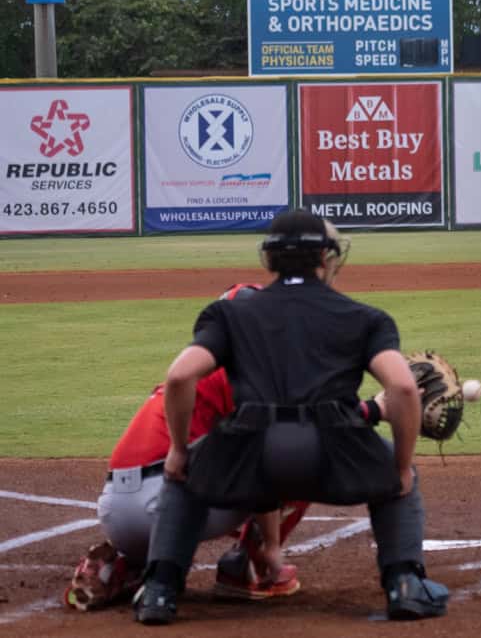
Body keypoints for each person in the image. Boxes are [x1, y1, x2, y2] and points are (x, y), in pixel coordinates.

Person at [133, 210, 448, 625]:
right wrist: (402, 467)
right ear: (326, 258)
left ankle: (159, 590)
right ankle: (404, 585)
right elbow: (405, 388)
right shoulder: (365, 317)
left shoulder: (230, 314)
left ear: (269, 260)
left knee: (184, 474)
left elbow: (179, 376)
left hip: (247, 457)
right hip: (335, 457)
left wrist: (177, 451)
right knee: (399, 481)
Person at [65, 284, 308, 612]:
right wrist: (273, 545)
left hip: (114, 509)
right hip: (166, 505)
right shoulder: (248, 376)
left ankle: (125, 565)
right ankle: (250, 569)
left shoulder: (194, 367)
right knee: (298, 459)